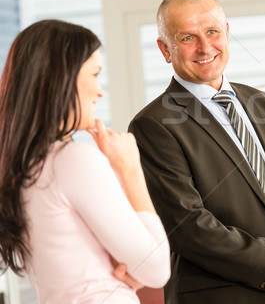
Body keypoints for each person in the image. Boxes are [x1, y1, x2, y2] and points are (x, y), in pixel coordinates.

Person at [128, 0, 265, 304]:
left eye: (212, 31)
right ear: (165, 49)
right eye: (187, 38)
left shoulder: (261, 103)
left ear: (227, 32)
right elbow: (191, 227)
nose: (204, 47)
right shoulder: (153, 125)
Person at [0, 20, 170, 303]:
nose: (100, 91)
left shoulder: (23, 168)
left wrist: (129, 271)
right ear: (60, 79)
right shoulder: (73, 160)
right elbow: (157, 268)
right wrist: (130, 169)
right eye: (94, 74)